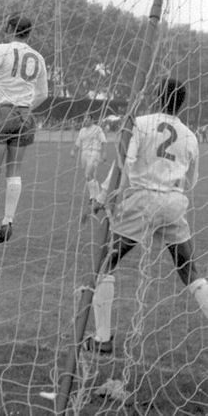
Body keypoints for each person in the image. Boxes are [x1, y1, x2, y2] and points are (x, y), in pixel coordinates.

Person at [87, 78, 208, 354]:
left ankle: (103, 339)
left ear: (157, 97)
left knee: (105, 261)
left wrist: (103, 198)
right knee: (190, 271)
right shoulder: (189, 135)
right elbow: (192, 180)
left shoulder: (140, 123)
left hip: (143, 200)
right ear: (182, 103)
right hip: (174, 203)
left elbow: (123, 166)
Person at [0, 15, 48, 244]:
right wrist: (26, 107)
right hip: (25, 115)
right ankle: (8, 221)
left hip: (1, 112)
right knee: (14, 171)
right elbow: (43, 93)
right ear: (29, 33)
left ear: (10, 29)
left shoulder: (2, 49)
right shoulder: (38, 57)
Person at [71, 115, 107, 205]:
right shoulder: (82, 131)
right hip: (84, 154)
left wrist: (104, 153)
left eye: (87, 119)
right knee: (89, 176)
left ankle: (95, 197)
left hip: (94, 153)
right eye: (84, 119)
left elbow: (104, 141)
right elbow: (78, 142)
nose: (85, 120)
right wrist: (73, 151)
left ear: (92, 120)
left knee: (88, 174)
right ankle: (93, 197)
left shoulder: (97, 129)